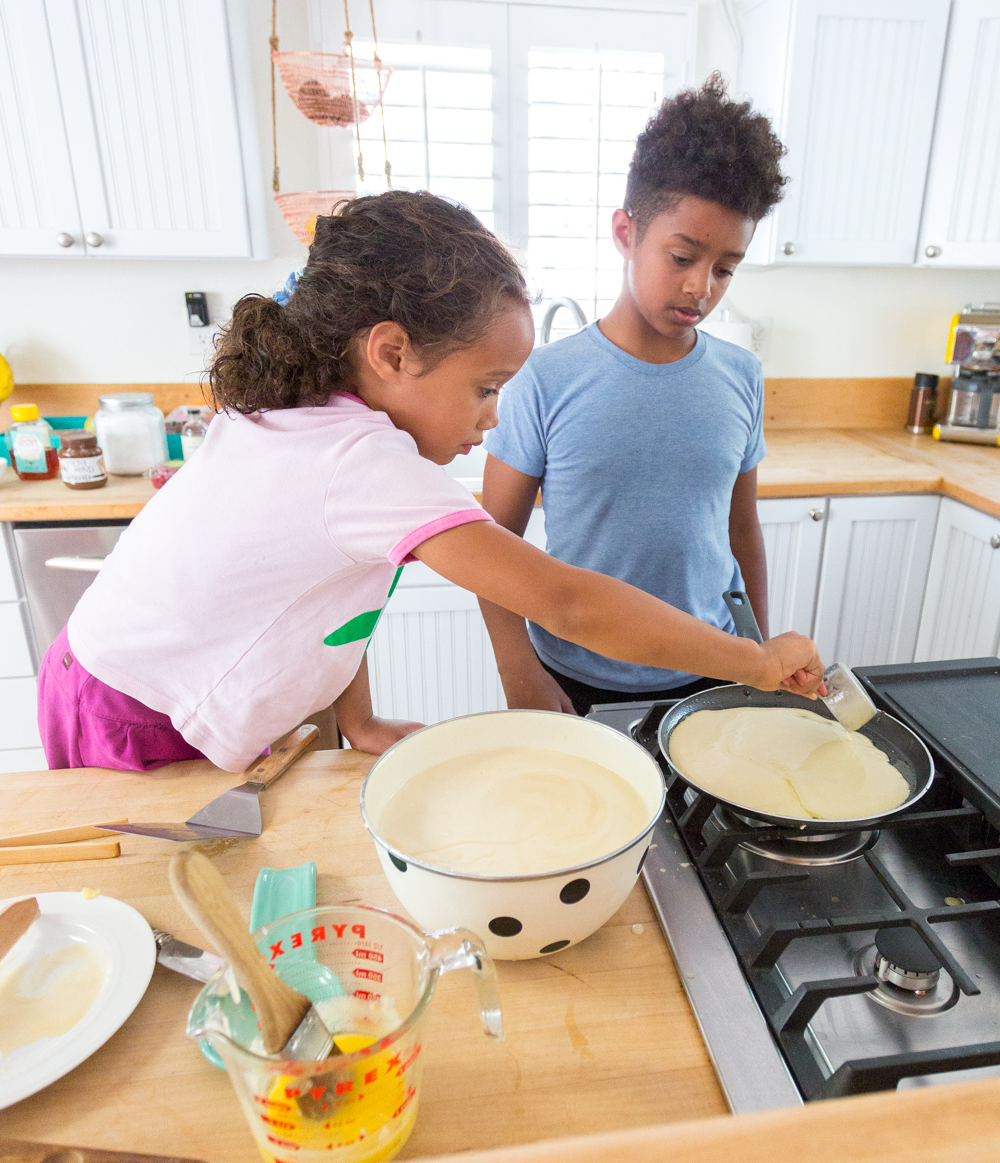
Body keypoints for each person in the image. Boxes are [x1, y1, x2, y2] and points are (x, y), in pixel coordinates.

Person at [37, 190, 821, 774]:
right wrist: (754, 661)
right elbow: (566, 600)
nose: (492, 419)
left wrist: (363, 719)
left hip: (106, 676)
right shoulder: (360, 463)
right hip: (132, 712)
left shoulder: (310, 414)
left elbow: (337, 587)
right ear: (392, 352)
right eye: (485, 387)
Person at [480, 74, 786, 717]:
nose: (702, 287)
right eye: (682, 257)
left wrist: (758, 656)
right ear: (626, 232)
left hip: (711, 669)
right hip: (573, 675)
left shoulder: (742, 376)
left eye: (725, 267)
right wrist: (519, 672)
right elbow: (493, 544)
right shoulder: (545, 378)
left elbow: (741, 527)